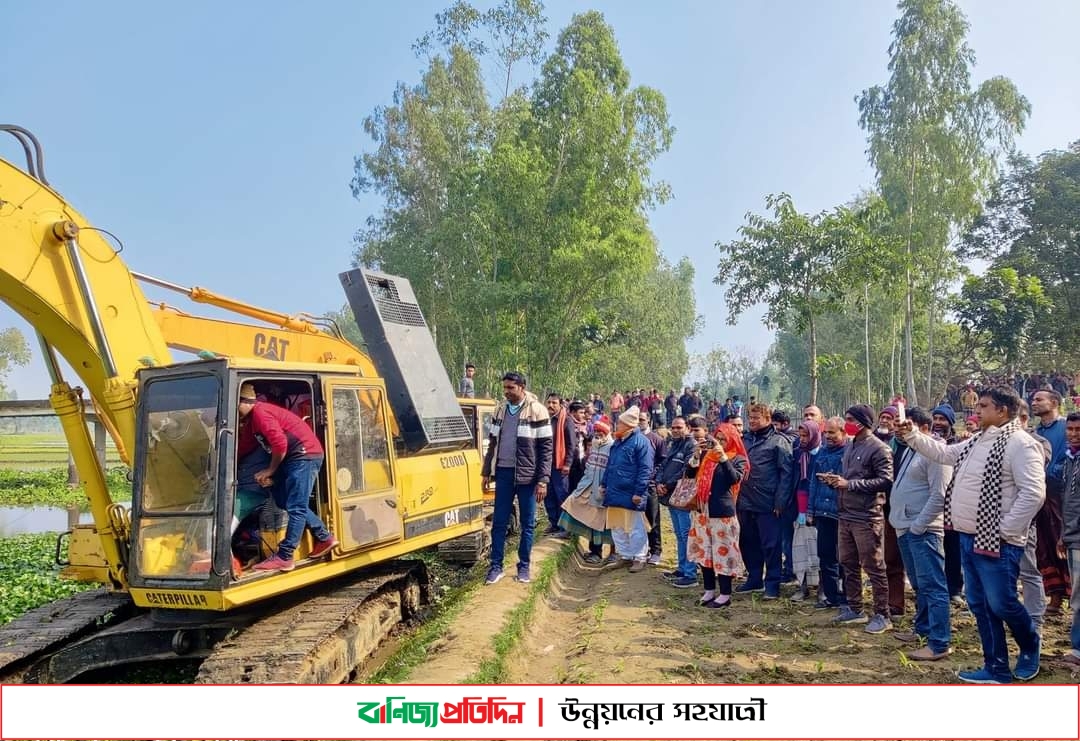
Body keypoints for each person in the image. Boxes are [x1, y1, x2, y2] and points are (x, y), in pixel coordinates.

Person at [899, 386, 1045, 684]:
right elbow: (943, 452)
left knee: (1002, 603)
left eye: (983, 406)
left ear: (1002, 411)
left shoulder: (1021, 444)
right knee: (979, 604)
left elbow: (1033, 494)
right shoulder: (978, 440)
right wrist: (911, 435)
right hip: (969, 536)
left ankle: (1030, 646)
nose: (975, 410)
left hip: (998, 541)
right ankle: (996, 667)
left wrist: (1004, 530)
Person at [237, 382, 336, 572]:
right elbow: (246, 446)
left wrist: (270, 470)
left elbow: (280, 443)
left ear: (244, 402)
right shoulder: (252, 422)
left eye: (235, 406)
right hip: (293, 457)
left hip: (305, 455)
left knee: (296, 506)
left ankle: (285, 555)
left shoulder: (260, 413)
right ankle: (324, 537)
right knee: (283, 500)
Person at [889, 407, 953, 661]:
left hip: (924, 530)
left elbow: (939, 494)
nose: (900, 430)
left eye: (906, 426)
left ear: (922, 428)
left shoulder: (936, 454)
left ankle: (939, 642)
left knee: (933, 586)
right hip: (905, 527)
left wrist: (919, 525)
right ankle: (923, 629)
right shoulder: (910, 451)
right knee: (919, 585)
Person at [825, 404, 894, 634]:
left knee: (874, 567)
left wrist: (850, 484)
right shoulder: (851, 445)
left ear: (862, 422)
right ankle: (855, 608)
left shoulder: (879, 449)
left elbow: (885, 480)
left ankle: (882, 614)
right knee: (848, 563)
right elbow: (851, 477)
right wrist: (837, 480)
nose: (846, 424)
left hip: (866, 516)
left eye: (849, 419)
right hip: (846, 513)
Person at [481, 372, 553, 585]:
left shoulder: (537, 410)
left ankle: (524, 567)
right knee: (499, 522)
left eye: (511, 388)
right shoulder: (501, 409)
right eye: (505, 388)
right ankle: (496, 566)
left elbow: (546, 449)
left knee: (527, 523)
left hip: (528, 476)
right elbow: (492, 441)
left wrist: (543, 480)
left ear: (522, 387)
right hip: (503, 472)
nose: (507, 392)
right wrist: (486, 471)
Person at [686, 422, 748, 608]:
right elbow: (689, 475)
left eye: (724, 439)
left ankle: (725, 594)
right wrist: (696, 456)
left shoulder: (737, 458)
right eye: (717, 438)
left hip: (722, 514)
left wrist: (723, 458)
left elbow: (734, 478)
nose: (719, 442)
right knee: (705, 553)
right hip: (702, 511)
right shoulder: (706, 456)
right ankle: (709, 590)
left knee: (723, 553)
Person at [601, 406, 655, 573]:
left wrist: (639, 493)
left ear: (629, 425)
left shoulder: (642, 442)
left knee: (635, 526)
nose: (617, 425)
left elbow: (646, 470)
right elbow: (610, 465)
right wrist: (604, 484)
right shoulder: (618, 442)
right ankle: (625, 555)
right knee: (617, 526)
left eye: (620, 423)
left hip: (631, 493)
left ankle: (639, 557)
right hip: (614, 491)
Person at [559, 418, 614, 565]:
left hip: (602, 490)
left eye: (600, 432)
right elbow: (589, 467)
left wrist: (605, 487)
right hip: (588, 486)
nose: (597, 434)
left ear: (606, 433)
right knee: (573, 502)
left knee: (598, 521)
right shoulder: (595, 446)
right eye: (596, 432)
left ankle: (598, 552)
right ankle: (568, 532)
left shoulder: (612, 447)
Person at [656, 416, 699, 587]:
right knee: (679, 535)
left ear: (687, 428)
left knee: (686, 535)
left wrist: (667, 484)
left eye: (679, 427)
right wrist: (659, 480)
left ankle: (690, 573)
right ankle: (682, 569)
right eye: (673, 427)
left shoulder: (692, 446)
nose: (675, 430)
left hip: (683, 497)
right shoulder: (673, 443)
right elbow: (664, 464)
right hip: (671, 497)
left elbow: (685, 470)